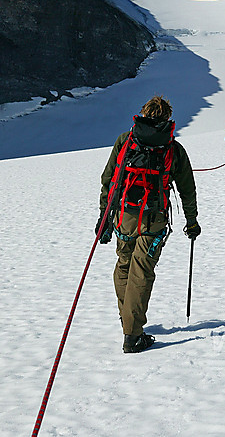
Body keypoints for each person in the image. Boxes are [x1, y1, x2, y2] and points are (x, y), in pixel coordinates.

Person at [96, 95, 200, 354]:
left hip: (124, 217)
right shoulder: (172, 149)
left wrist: (103, 217)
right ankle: (132, 335)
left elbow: (109, 180)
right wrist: (192, 220)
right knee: (141, 270)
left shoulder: (126, 141)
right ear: (167, 119)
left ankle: (128, 318)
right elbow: (187, 188)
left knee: (124, 264)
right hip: (154, 220)